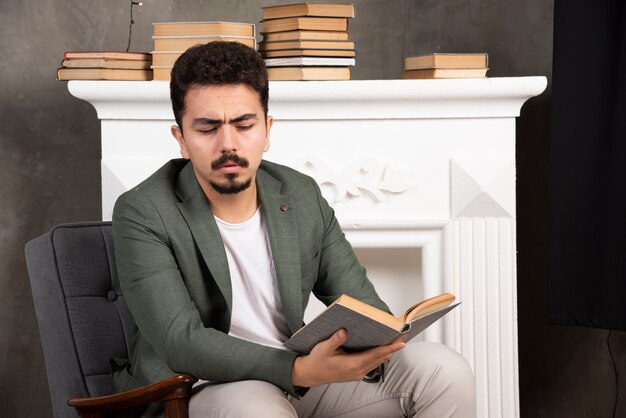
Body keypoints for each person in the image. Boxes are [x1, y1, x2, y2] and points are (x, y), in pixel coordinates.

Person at [112, 41, 476, 418]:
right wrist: (298, 370)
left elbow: (355, 296)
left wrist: (381, 339)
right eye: (207, 128)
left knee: (443, 370)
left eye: (244, 125)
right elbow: (181, 342)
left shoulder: (299, 193)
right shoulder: (143, 211)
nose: (229, 144)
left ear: (267, 130)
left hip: (300, 376)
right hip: (198, 386)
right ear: (181, 139)